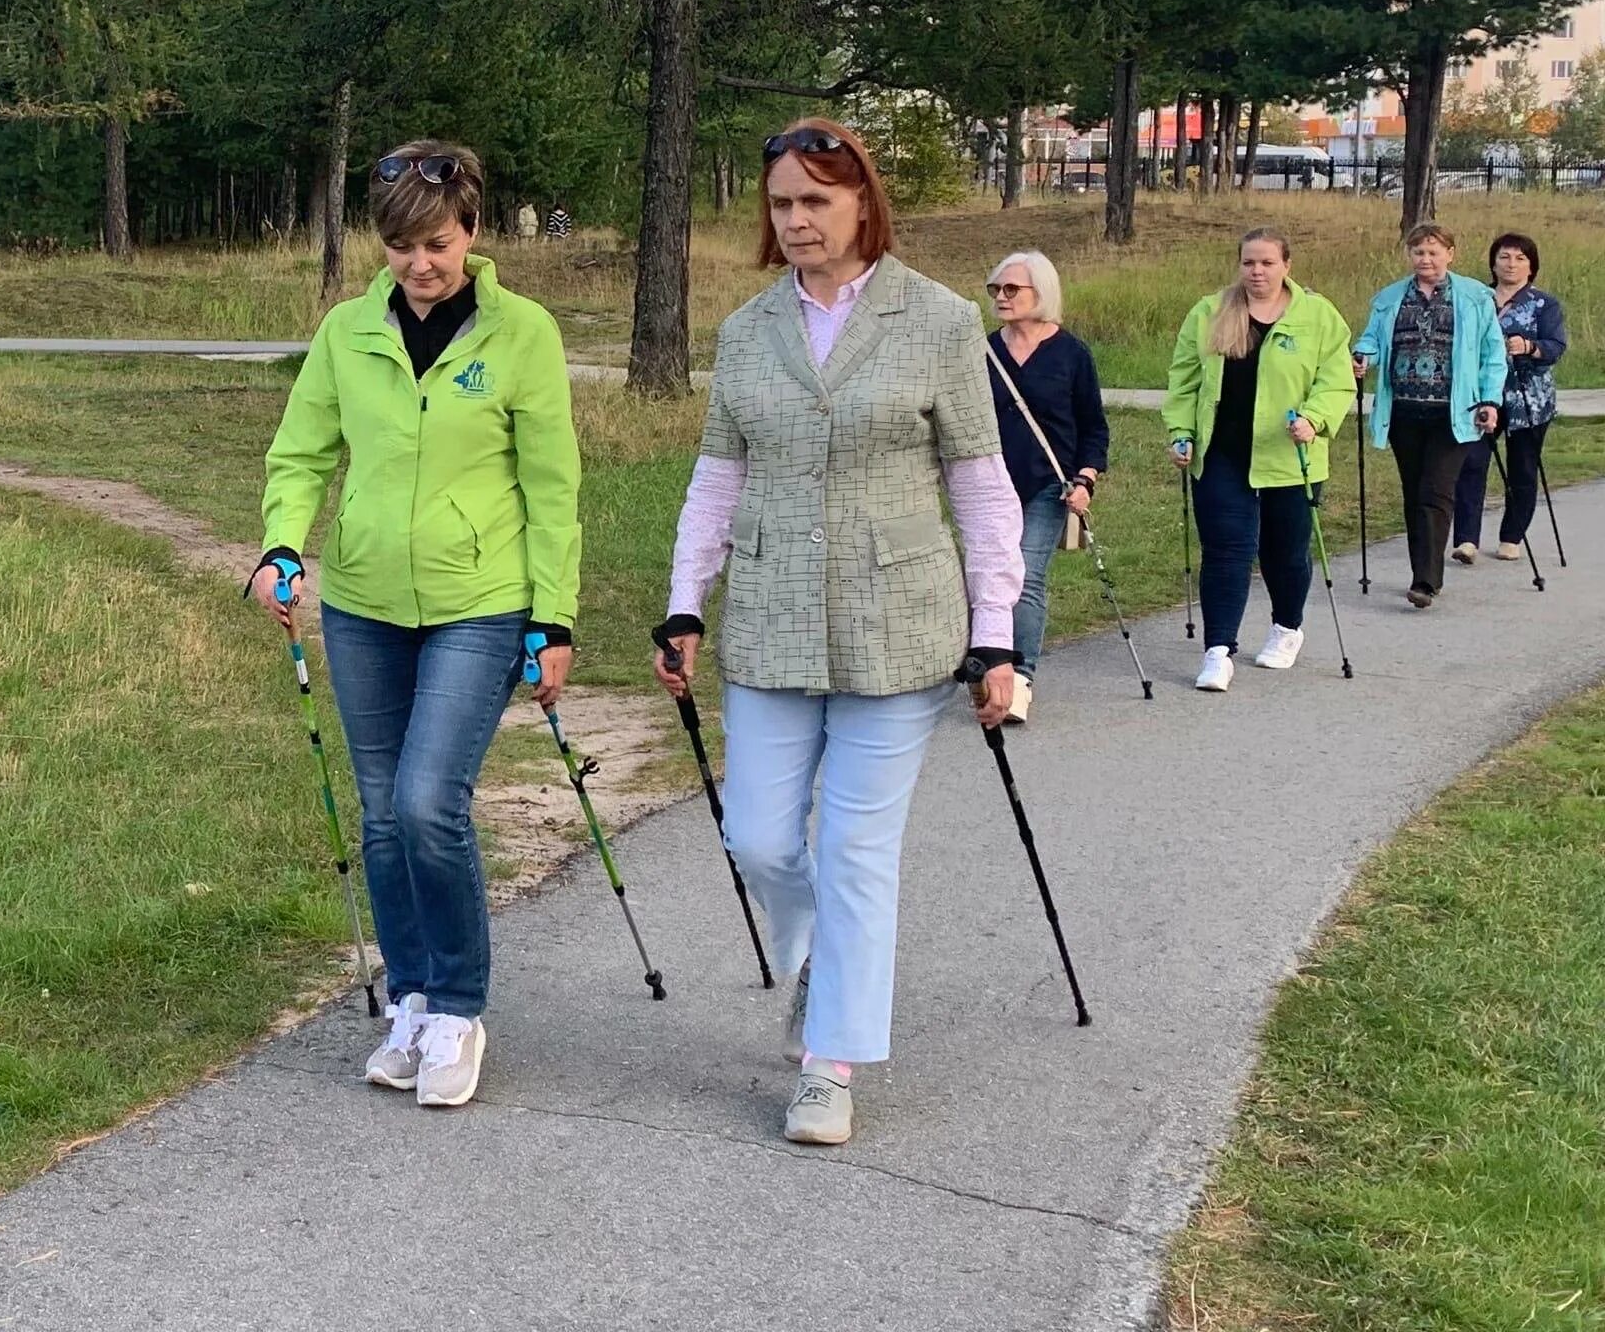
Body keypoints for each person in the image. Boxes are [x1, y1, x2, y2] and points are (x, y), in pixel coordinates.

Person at [652, 117, 1024, 1148]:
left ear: (864, 201)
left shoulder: (941, 322)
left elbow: (982, 488)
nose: (798, 219)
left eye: (817, 199)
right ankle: (820, 957)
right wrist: (687, 601)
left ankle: (830, 1061)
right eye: (781, 203)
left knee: (859, 848)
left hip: (898, 625)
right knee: (758, 837)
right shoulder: (746, 331)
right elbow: (715, 483)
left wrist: (995, 634)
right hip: (770, 620)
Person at [250, 140, 581, 1110]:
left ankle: (462, 1007)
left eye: (434, 243)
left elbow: (553, 490)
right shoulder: (348, 333)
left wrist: (552, 618)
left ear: (470, 234)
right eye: (399, 247)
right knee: (385, 816)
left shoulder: (522, 334)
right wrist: (281, 546)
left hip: (482, 604)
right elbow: (301, 453)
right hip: (362, 603)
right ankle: (416, 998)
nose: (418, 264)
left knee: (432, 802)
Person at [1163, 227, 1355, 691]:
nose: (1257, 271)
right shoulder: (1210, 311)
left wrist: (1314, 418)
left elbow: (1336, 380)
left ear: (1287, 265)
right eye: (1249, 262)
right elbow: (1184, 380)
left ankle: (1286, 628)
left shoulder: (1318, 315)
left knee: (1284, 553)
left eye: (1267, 263)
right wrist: (1181, 431)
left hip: (1289, 455)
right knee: (1226, 550)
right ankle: (1218, 651)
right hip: (1223, 455)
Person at [984, 249, 1109, 724]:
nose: (1001, 297)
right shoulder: (983, 351)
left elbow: (1094, 428)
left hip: (1047, 485)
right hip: (990, 486)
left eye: (1012, 289)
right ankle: (990, 664)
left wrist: (1085, 479)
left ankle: (1020, 678)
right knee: (991, 577)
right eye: (995, 289)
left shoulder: (1071, 354)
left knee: (1025, 574)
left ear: (1042, 292)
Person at [1353, 222, 1505, 607]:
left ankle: (1425, 581)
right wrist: (1362, 356)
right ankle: (1423, 568)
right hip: (1404, 409)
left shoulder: (1474, 297)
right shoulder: (1390, 298)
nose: (1426, 259)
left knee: (1434, 491)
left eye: (1434, 252)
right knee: (1412, 493)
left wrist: (1490, 401)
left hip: (1454, 412)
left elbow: (1492, 354)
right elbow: (1372, 338)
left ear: (1450, 254)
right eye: (1419, 252)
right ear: (1410, 255)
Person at [1451, 232, 1567, 564]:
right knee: (1470, 463)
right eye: (1504, 257)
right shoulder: (1476, 298)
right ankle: (1466, 539)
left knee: (1523, 467)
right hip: (1482, 395)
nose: (1511, 264)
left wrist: (1530, 347)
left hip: (1528, 398)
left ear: (1531, 266)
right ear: (1493, 262)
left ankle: (1512, 536)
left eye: (1519, 258)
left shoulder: (1545, 304)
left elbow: (1556, 346)